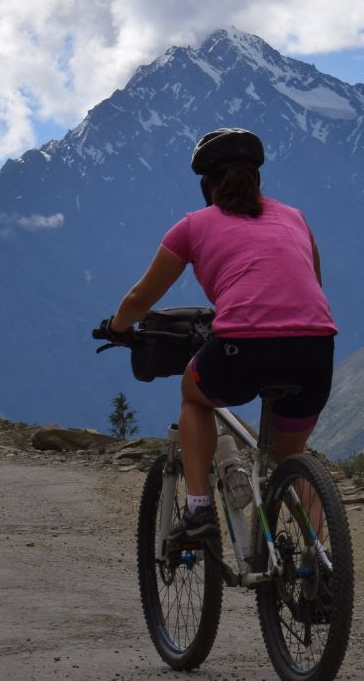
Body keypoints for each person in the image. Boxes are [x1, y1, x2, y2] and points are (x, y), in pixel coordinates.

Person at [103, 128, 336, 548]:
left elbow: (141, 296)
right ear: (257, 178)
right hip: (316, 346)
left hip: (241, 344)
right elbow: (311, 286)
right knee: (289, 458)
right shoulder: (295, 217)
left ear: (205, 184)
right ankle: (322, 568)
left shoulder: (193, 226)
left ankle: (197, 510)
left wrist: (117, 327)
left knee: (194, 394)